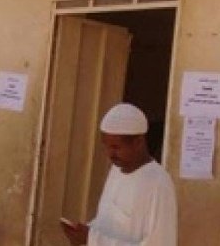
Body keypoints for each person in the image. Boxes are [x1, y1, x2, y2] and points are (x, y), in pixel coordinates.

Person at [60, 103, 176, 246]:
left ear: (138, 142)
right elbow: (107, 222)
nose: (110, 154)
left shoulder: (158, 182)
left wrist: (93, 240)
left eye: (116, 147)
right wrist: (84, 233)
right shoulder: (116, 170)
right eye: (106, 146)